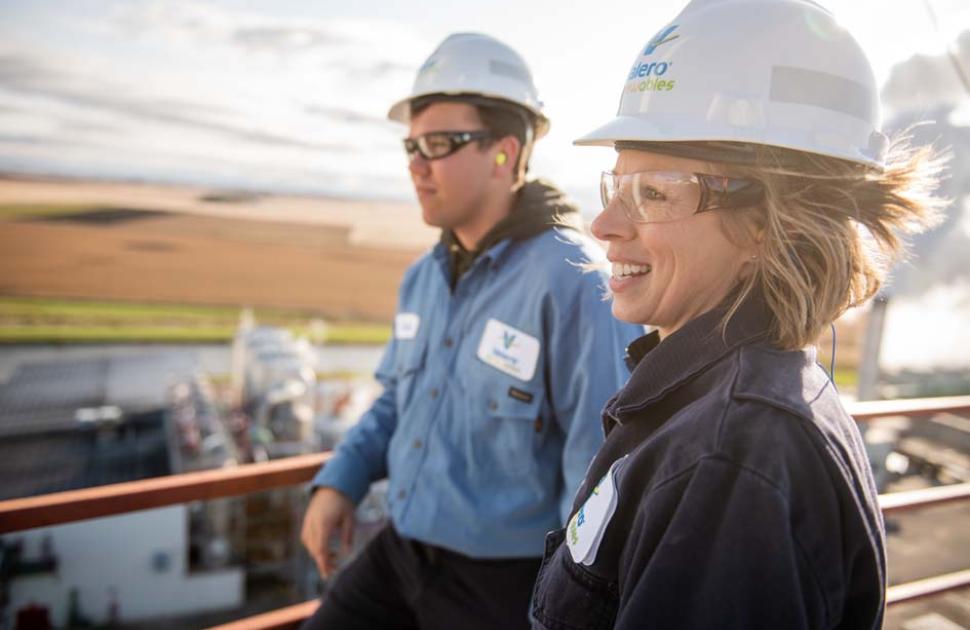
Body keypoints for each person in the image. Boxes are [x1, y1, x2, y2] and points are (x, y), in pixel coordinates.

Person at [530, 1, 945, 629]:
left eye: (656, 193)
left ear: (765, 226)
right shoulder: (718, 414)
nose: (605, 225)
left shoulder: (732, 458)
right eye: (616, 187)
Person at [300, 33, 643, 630]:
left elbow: (596, 463)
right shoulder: (423, 278)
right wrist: (340, 482)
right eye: (411, 145)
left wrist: (565, 603)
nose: (415, 163)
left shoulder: (573, 283)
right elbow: (394, 403)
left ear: (505, 152)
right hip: (400, 552)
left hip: (499, 586)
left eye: (438, 143)